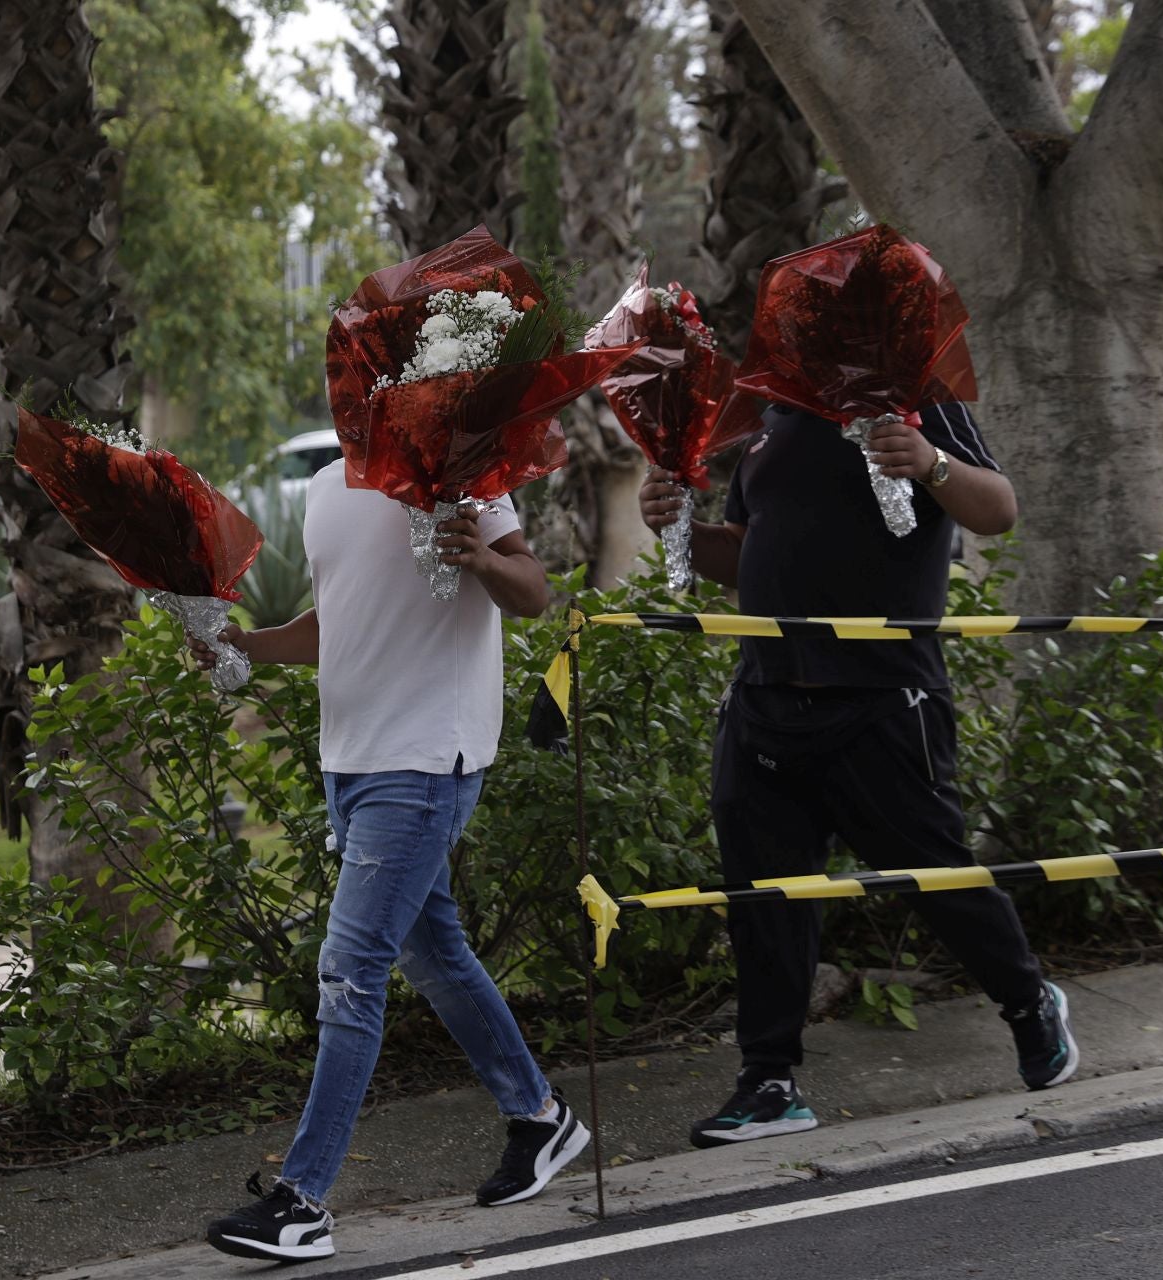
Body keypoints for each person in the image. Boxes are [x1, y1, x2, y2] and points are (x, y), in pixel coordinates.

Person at [636, 401, 1079, 1150]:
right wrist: (676, 524)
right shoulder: (769, 419)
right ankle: (769, 1079)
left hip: (883, 700)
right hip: (764, 699)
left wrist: (930, 461)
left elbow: (998, 510)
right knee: (763, 898)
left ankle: (1028, 1001)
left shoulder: (913, 394)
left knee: (932, 874)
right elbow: (745, 555)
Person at [191, 471, 587, 1262]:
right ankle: (541, 1118)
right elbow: (340, 622)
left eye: (361, 349)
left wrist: (480, 555)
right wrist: (247, 648)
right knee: (432, 950)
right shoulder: (321, 487)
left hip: (427, 760)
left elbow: (533, 590)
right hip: (352, 762)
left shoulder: (457, 468)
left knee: (350, 970)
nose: (349, 371)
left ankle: (302, 1201)